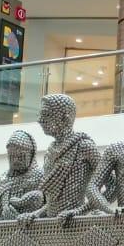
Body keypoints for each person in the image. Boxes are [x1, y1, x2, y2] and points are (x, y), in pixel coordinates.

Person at [20, 93, 98, 222]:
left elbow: (112, 186)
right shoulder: (50, 151)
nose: (40, 120)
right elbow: (53, 202)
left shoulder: (84, 146)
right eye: (40, 115)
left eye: (46, 114)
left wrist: (79, 211)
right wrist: (37, 213)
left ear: (65, 118)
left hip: (74, 223)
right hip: (52, 223)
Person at [0, 130, 44, 222]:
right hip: (3, 230)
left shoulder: (40, 176)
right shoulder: (4, 180)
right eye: (12, 156)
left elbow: (51, 205)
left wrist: (34, 215)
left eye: (20, 156)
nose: (15, 160)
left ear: (31, 155)